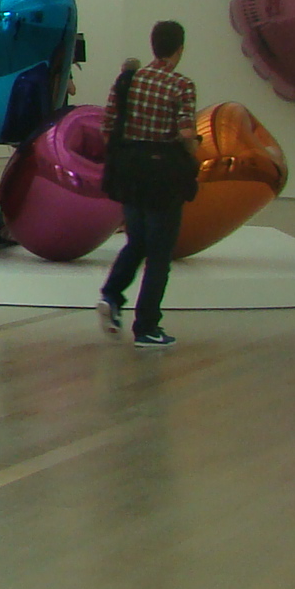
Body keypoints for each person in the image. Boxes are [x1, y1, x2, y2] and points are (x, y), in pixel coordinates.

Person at [97, 19, 197, 350]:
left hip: (130, 170)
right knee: (159, 254)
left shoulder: (129, 81)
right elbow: (185, 133)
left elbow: (108, 127)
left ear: (153, 45)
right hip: (162, 174)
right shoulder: (181, 85)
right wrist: (193, 151)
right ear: (179, 49)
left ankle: (111, 295)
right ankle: (147, 327)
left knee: (136, 241)